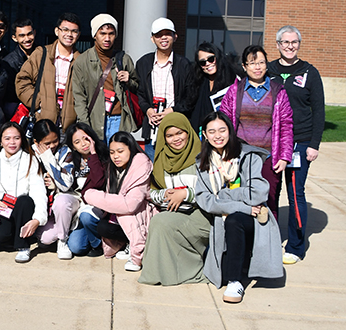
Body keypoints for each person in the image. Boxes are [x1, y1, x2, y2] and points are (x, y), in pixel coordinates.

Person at [195, 112, 283, 304]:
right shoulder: (202, 163)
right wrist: (239, 205)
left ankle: (235, 283)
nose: (217, 136)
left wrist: (225, 195)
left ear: (230, 131)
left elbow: (258, 193)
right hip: (228, 215)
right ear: (205, 135)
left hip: (252, 218)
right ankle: (233, 272)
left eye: (222, 130)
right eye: (212, 131)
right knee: (221, 271)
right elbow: (205, 200)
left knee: (235, 220)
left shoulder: (248, 156)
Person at [267, 26, 325, 265]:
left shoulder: (309, 72)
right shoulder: (268, 69)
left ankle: (296, 246)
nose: (289, 46)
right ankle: (268, 241)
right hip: (271, 142)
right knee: (270, 191)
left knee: (295, 193)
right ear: (278, 44)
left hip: (299, 143)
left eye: (294, 42)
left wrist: (313, 144)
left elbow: (319, 110)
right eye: (285, 42)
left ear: (299, 44)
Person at [220, 45, 293, 218]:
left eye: (261, 62)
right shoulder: (234, 91)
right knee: (241, 200)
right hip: (240, 157)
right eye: (252, 63)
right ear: (244, 67)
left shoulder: (278, 92)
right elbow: (224, 121)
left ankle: (270, 241)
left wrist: (284, 156)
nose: (257, 67)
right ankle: (246, 242)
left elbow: (286, 125)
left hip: (268, 157)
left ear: (267, 65)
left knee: (270, 200)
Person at [138, 112, 210, 286]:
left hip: (203, 214)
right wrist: (165, 194)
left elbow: (212, 191)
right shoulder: (162, 159)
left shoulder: (203, 157)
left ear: (188, 132)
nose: (175, 139)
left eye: (180, 133)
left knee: (161, 221)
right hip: (174, 211)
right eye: (169, 135)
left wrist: (186, 194)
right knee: (159, 221)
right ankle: (161, 271)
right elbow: (152, 192)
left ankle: (184, 271)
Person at [83, 131, 155, 272]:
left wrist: (92, 195)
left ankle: (136, 251)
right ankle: (127, 241)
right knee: (102, 226)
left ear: (130, 149)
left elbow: (130, 204)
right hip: (120, 213)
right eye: (112, 152)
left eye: (120, 151)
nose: (116, 156)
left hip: (140, 214)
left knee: (126, 214)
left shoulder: (140, 165)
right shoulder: (113, 168)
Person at [73, 14, 140, 141]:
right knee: (97, 159)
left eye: (111, 34)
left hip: (119, 119)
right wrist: (85, 125)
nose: (107, 38)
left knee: (118, 158)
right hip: (94, 119)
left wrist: (129, 81)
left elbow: (137, 88)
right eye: (102, 33)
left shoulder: (123, 59)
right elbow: (79, 96)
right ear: (94, 35)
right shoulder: (82, 61)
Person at [135, 17, 194, 160]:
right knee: (154, 168)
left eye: (167, 33)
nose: (163, 38)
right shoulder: (143, 63)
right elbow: (139, 93)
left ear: (175, 36)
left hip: (176, 125)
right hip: (152, 127)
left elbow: (190, 96)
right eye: (159, 35)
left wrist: (172, 110)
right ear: (152, 39)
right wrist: (148, 110)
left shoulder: (184, 64)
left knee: (176, 168)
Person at [0, 122, 48, 263]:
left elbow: (38, 191)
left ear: (22, 139)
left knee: (24, 200)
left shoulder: (30, 159)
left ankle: (23, 246)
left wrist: (38, 219)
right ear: (0, 141)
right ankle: (17, 237)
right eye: (7, 138)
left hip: (23, 210)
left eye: (16, 138)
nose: (12, 142)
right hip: (3, 209)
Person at [16, 12, 82, 133]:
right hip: (43, 123)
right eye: (65, 30)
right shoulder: (41, 54)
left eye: (74, 31)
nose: (69, 34)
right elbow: (22, 81)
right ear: (57, 31)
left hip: (69, 128)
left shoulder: (81, 61)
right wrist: (38, 101)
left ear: (78, 35)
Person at [29, 119, 76, 259]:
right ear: (36, 142)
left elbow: (65, 184)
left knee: (62, 201)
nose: (52, 146)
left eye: (54, 141)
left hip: (66, 199)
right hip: (44, 206)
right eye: (47, 144)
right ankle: (65, 229)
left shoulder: (65, 151)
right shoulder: (30, 153)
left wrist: (48, 158)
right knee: (46, 238)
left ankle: (63, 240)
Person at [63, 123, 108, 258]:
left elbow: (99, 181)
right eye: (77, 142)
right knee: (76, 247)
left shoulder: (103, 156)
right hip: (79, 209)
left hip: (98, 207)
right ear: (73, 147)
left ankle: (97, 244)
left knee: (87, 217)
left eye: (85, 138)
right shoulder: (72, 161)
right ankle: (91, 235)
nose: (83, 144)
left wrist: (93, 153)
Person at [188, 42, 242, 133]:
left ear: (218, 57)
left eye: (211, 59)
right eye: (203, 62)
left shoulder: (233, 79)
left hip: (226, 133)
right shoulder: (198, 82)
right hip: (203, 134)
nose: (208, 64)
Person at [1, 18, 36, 119]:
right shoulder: (9, 62)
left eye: (29, 34)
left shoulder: (43, 55)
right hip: (17, 110)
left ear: (34, 33)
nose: (27, 39)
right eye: (22, 35)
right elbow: (10, 93)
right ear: (14, 38)